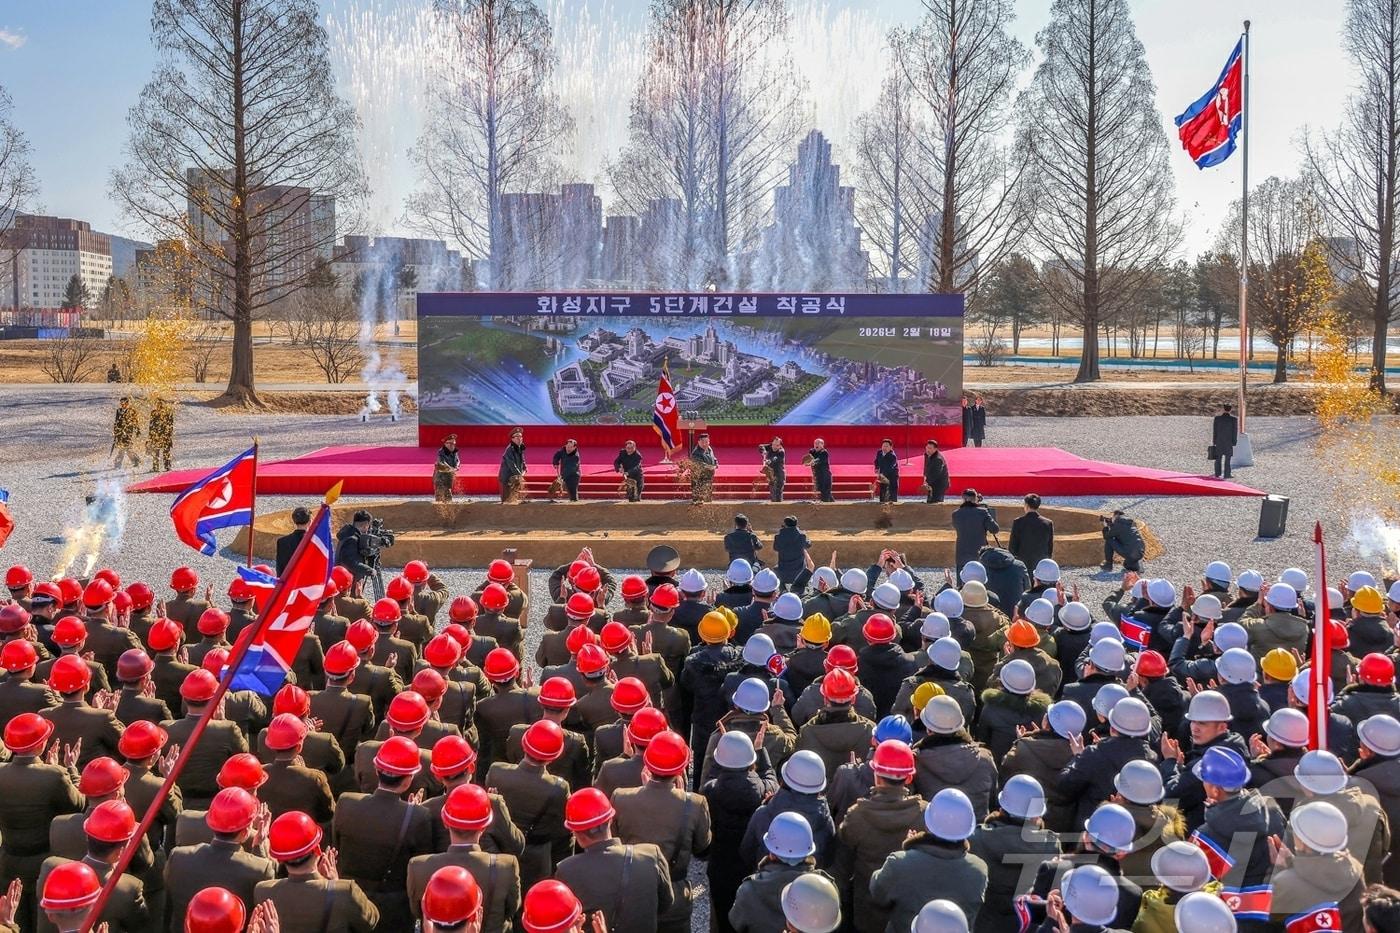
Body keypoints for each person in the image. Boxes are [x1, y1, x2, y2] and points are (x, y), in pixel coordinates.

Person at [952, 490, 999, 578]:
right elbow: (995, 529)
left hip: (962, 552)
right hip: (980, 553)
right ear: (975, 499)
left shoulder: (956, 514)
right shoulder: (982, 512)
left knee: (962, 581)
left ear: (963, 499)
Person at [1009, 494, 1054, 569]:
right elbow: (1050, 545)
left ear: (1026, 505)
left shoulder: (1018, 522)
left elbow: (1013, 545)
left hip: (1022, 562)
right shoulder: (1048, 523)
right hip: (1041, 561)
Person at [335, 510, 376, 588]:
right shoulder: (352, 539)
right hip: (347, 583)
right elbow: (350, 561)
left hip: (343, 579)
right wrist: (369, 570)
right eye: (368, 526)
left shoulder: (347, 534)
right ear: (365, 525)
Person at [773, 517, 812, 593]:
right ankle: (802, 590)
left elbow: (776, 548)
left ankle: (783, 590)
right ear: (796, 524)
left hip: (783, 572)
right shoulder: (802, 535)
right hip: (799, 571)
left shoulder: (778, 536)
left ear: (785, 524)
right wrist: (806, 536)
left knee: (776, 569)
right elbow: (808, 545)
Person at [275, 507, 311, 576]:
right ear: (309, 522)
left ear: (294, 521)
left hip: (288, 583)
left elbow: (280, 568)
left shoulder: (282, 542)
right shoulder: (313, 542)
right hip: (307, 584)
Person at [111, 396, 142, 469]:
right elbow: (116, 422)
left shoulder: (132, 411)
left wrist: (137, 430)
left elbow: (135, 421)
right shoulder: (118, 411)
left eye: (123, 403)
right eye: (121, 403)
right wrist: (115, 431)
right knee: (125, 448)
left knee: (125, 448)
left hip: (128, 432)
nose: (122, 404)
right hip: (120, 433)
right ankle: (136, 460)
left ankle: (118, 464)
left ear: (127, 403)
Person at [146, 396, 174, 473]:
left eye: (160, 403)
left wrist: (168, 435)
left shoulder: (168, 412)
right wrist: (150, 437)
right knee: (156, 452)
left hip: (165, 435)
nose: (159, 405)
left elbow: (170, 425)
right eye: (157, 404)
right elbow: (151, 426)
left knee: (166, 452)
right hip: (156, 435)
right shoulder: (153, 412)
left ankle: (167, 466)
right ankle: (155, 467)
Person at [499, 427, 527, 502]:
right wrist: (520, 475)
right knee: (506, 501)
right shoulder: (509, 450)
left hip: (515, 478)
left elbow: (522, 460)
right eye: (517, 436)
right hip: (507, 478)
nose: (519, 438)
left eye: (520, 436)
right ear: (512, 439)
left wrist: (524, 467)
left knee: (515, 500)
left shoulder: (520, 447)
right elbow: (512, 465)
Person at [689, 433, 718, 504]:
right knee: (698, 500)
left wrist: (716, 462)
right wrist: (711, 467)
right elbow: (700, 464)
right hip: (700, 478)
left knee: (708, 498)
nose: (705, 444)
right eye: (702, 442)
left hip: (708, 476)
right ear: (698, 442)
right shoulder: (696, 453)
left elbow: (713, 457)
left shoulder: (709, 448)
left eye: (707, 442)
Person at [1212, 403, 1239, 479]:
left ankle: (1217, 473)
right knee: (1228, 459)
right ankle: (1227, 474)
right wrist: (1234, 441)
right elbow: (1234, 431)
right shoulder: (1233, 419)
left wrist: (1214, 441)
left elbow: (1215, 431)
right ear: (1230, 410)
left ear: (1223, 409)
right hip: (1228, 442)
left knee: (1218, 459)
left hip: (1219, 441)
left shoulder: (1217, 419)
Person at [435, 433, 460, 503]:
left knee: (448, 489)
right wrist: (451, 468)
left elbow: (457, 460)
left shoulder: (454, 451)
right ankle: (440, 508)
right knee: (441, 491)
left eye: (454, 443)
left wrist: (457, 466)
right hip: (441, 475)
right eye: (450, 443)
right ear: (445, 444)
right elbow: (442, 462)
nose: (452, 445)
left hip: (449, 474)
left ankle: (449, 506)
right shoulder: (441, 451)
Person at [874, 439, 899, 504]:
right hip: (883, 477)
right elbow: (876, 461)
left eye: (886, 446)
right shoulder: (879, 452)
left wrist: (881, 474)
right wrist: (876, 468)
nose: (884, 448)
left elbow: (890, 468)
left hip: (891, 477)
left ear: (891, 447)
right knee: (883, 493)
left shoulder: (893, 456)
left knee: (891, 496)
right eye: (883, 446)